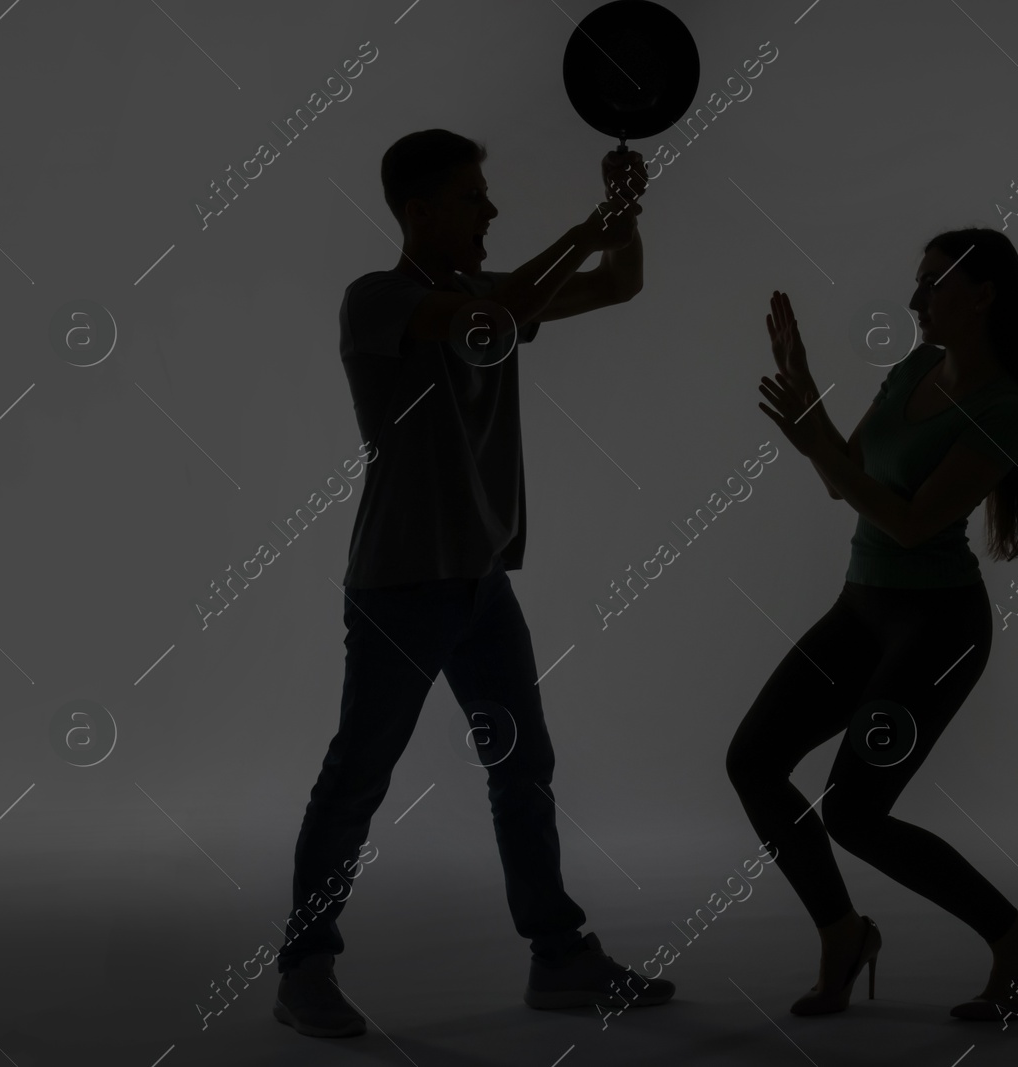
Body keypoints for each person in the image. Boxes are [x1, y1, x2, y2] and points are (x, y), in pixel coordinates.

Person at [272, 129, 672, 1039]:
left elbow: (620, 282)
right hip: (401, 589)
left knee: (521, 764)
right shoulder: (380, 300)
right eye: (471, 196)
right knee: (357, 777)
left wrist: (624, 219)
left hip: (480, 586)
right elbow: (492, 319)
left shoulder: (489, 291)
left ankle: (560, 958)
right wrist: (587, 223)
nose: (490, 210)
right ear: (419, 213)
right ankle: (304, 967)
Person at [727, 228, 1018, 1024]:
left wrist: (816, 436)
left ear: (982, 295)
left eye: (932, 284)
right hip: (862, 607)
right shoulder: (913, 367)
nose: (914, 300)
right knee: (754, 760)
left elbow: (913, 525)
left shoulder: (1003, 409)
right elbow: (846, 481)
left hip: (937, 630)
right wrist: (806, 397)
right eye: (917, 284)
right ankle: (844, 934)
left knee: (853, 810)